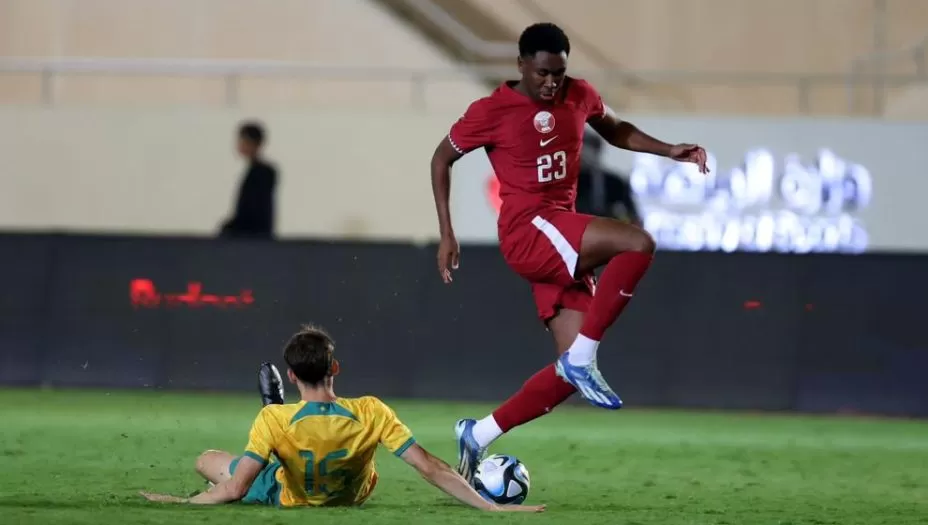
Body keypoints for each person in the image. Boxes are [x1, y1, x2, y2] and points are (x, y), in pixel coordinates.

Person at [428, 22, 708, 483]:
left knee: (567, 371)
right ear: (520, 66)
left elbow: (615, 130)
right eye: (542, 73)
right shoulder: (491, 109)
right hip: (529, 231)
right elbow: (442, 157)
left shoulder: (579, 94)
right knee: (639, 242)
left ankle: (478, 433)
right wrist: (447, 232)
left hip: (560, 234)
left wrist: (668, 149)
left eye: (558, 73)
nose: (551, 82)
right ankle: (584, 358)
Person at [139, 325, 545, 513]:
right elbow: (429, 467)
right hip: (352, 494)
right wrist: (490, 509)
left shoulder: (275, 422)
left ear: (293, 374)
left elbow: (234, 491)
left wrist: (178, 503)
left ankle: (276, 423)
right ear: (336, 367)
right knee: (284, 446)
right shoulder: (371, 410)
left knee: (207, 461)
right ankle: (281, 443)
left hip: (288, 494)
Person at [219, 121, 278, 239]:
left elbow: (255, 207)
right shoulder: (257, 171)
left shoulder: (263, 172)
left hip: (253, 235)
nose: (239, 145)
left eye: (243, 141)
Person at [576, 132, 643, 226]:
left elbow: (633, 217)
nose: (583, 156)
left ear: (597, 152)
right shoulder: (558, 182)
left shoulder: (614, 183)